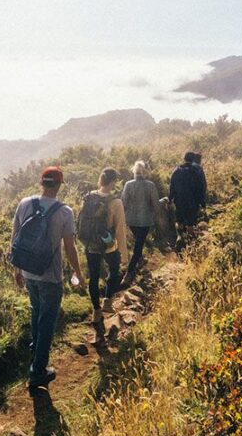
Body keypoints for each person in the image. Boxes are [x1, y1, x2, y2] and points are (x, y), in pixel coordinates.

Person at [12, 166, 84, 389]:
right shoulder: (64, 212)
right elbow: (70, 248)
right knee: (47, 322)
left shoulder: (25, 204)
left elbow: (15, 237)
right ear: (60, 184)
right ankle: (38, 371)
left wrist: (16, 269)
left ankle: (36, 355)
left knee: (36, 314)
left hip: (28, 272)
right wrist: (78, 273)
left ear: (41, 183)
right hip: (50, 275)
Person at [78, 168, 128, 346]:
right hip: (108, 246)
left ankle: (96, 310)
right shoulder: (116, 202)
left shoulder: (89, 197)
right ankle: (107, 300)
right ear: (113, 181)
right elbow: (120, 228)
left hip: (91, 245)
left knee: (93, 276)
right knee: (114, 270)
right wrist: (124, 253)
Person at [121, 160, 160, 283]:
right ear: (144, 172)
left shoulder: (128, 184)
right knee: (138, 246)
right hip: (145, 220)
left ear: (134, 171)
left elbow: (123, 203)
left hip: (131, 220)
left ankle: (141, 260)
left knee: (139, 242)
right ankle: (129, 273)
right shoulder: (150, 185)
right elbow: (156, 205)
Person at [169, 151, 207, 252]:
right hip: (193, 202)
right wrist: (202, 202)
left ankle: (180, 237)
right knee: (191, 223)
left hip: (179, 201)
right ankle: (192, 245)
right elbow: (201, 187)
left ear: (184, 158)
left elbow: (172, 187)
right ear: (193, 159)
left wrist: (170, 199)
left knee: (179, 221)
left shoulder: (177, 170)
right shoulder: (197, 171)